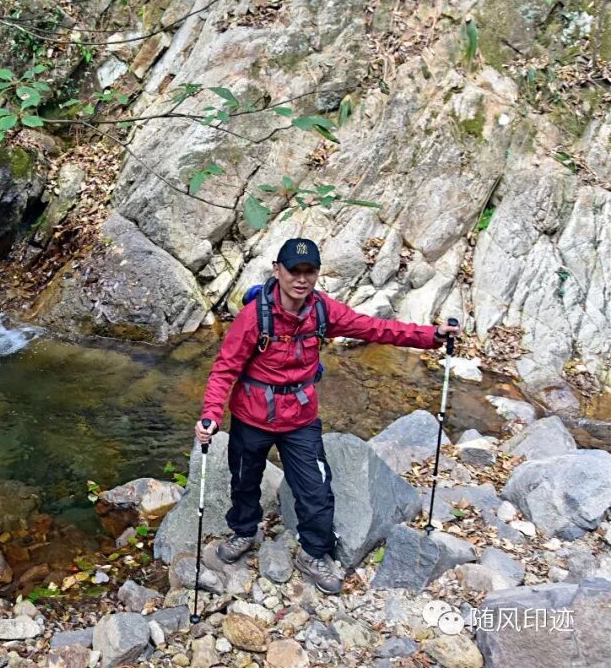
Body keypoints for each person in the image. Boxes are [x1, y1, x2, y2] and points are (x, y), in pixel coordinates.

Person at [194, 237, 460, 594]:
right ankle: (244, 531)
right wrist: (211, 414)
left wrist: (431, 336)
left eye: (310, 271)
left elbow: (375, 328)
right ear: (277, 270)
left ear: (318, 273)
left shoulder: (322, 311)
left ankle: (314, 553)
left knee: (316, 490)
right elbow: (225, 368)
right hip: (252, 417)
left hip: (300, 419)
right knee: (244, 481)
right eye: (294, 271)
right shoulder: (254, 317)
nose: (301, 279)